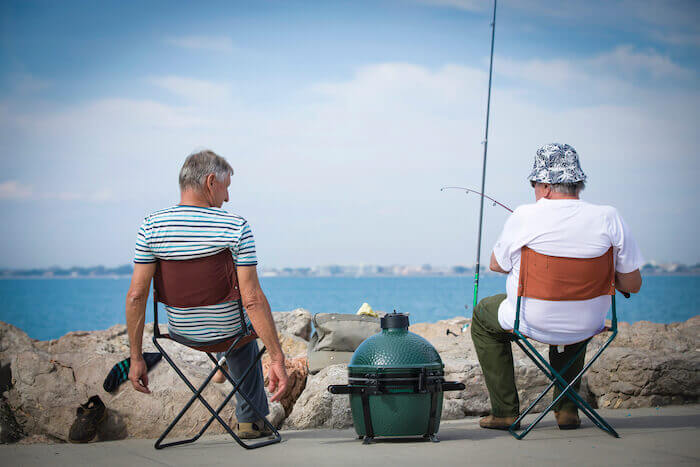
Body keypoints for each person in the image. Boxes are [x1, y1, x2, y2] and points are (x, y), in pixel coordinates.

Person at [471, 143, 643, 430]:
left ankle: (505, 412)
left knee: (482, 316)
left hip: (532, 320)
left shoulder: (524, 216)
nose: (534, 191)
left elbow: (496, 264)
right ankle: (567, 410)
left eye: (534, 184)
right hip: (587, 323)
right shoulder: (609, 217)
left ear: (546, 186)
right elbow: (632, 284)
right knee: (574, 320)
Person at [125, 149, 288, 439]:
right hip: (227, 330)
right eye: (226, 188)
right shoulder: (235, 227)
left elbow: (136, 296)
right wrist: (277, 358)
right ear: (211, 182)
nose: (228, 198)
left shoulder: (150, 226)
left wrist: (136, 357)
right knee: (244, 332)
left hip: (181, 331)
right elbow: (252, 299)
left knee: (234, 327)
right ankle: (250, 421)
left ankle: (225, 365)